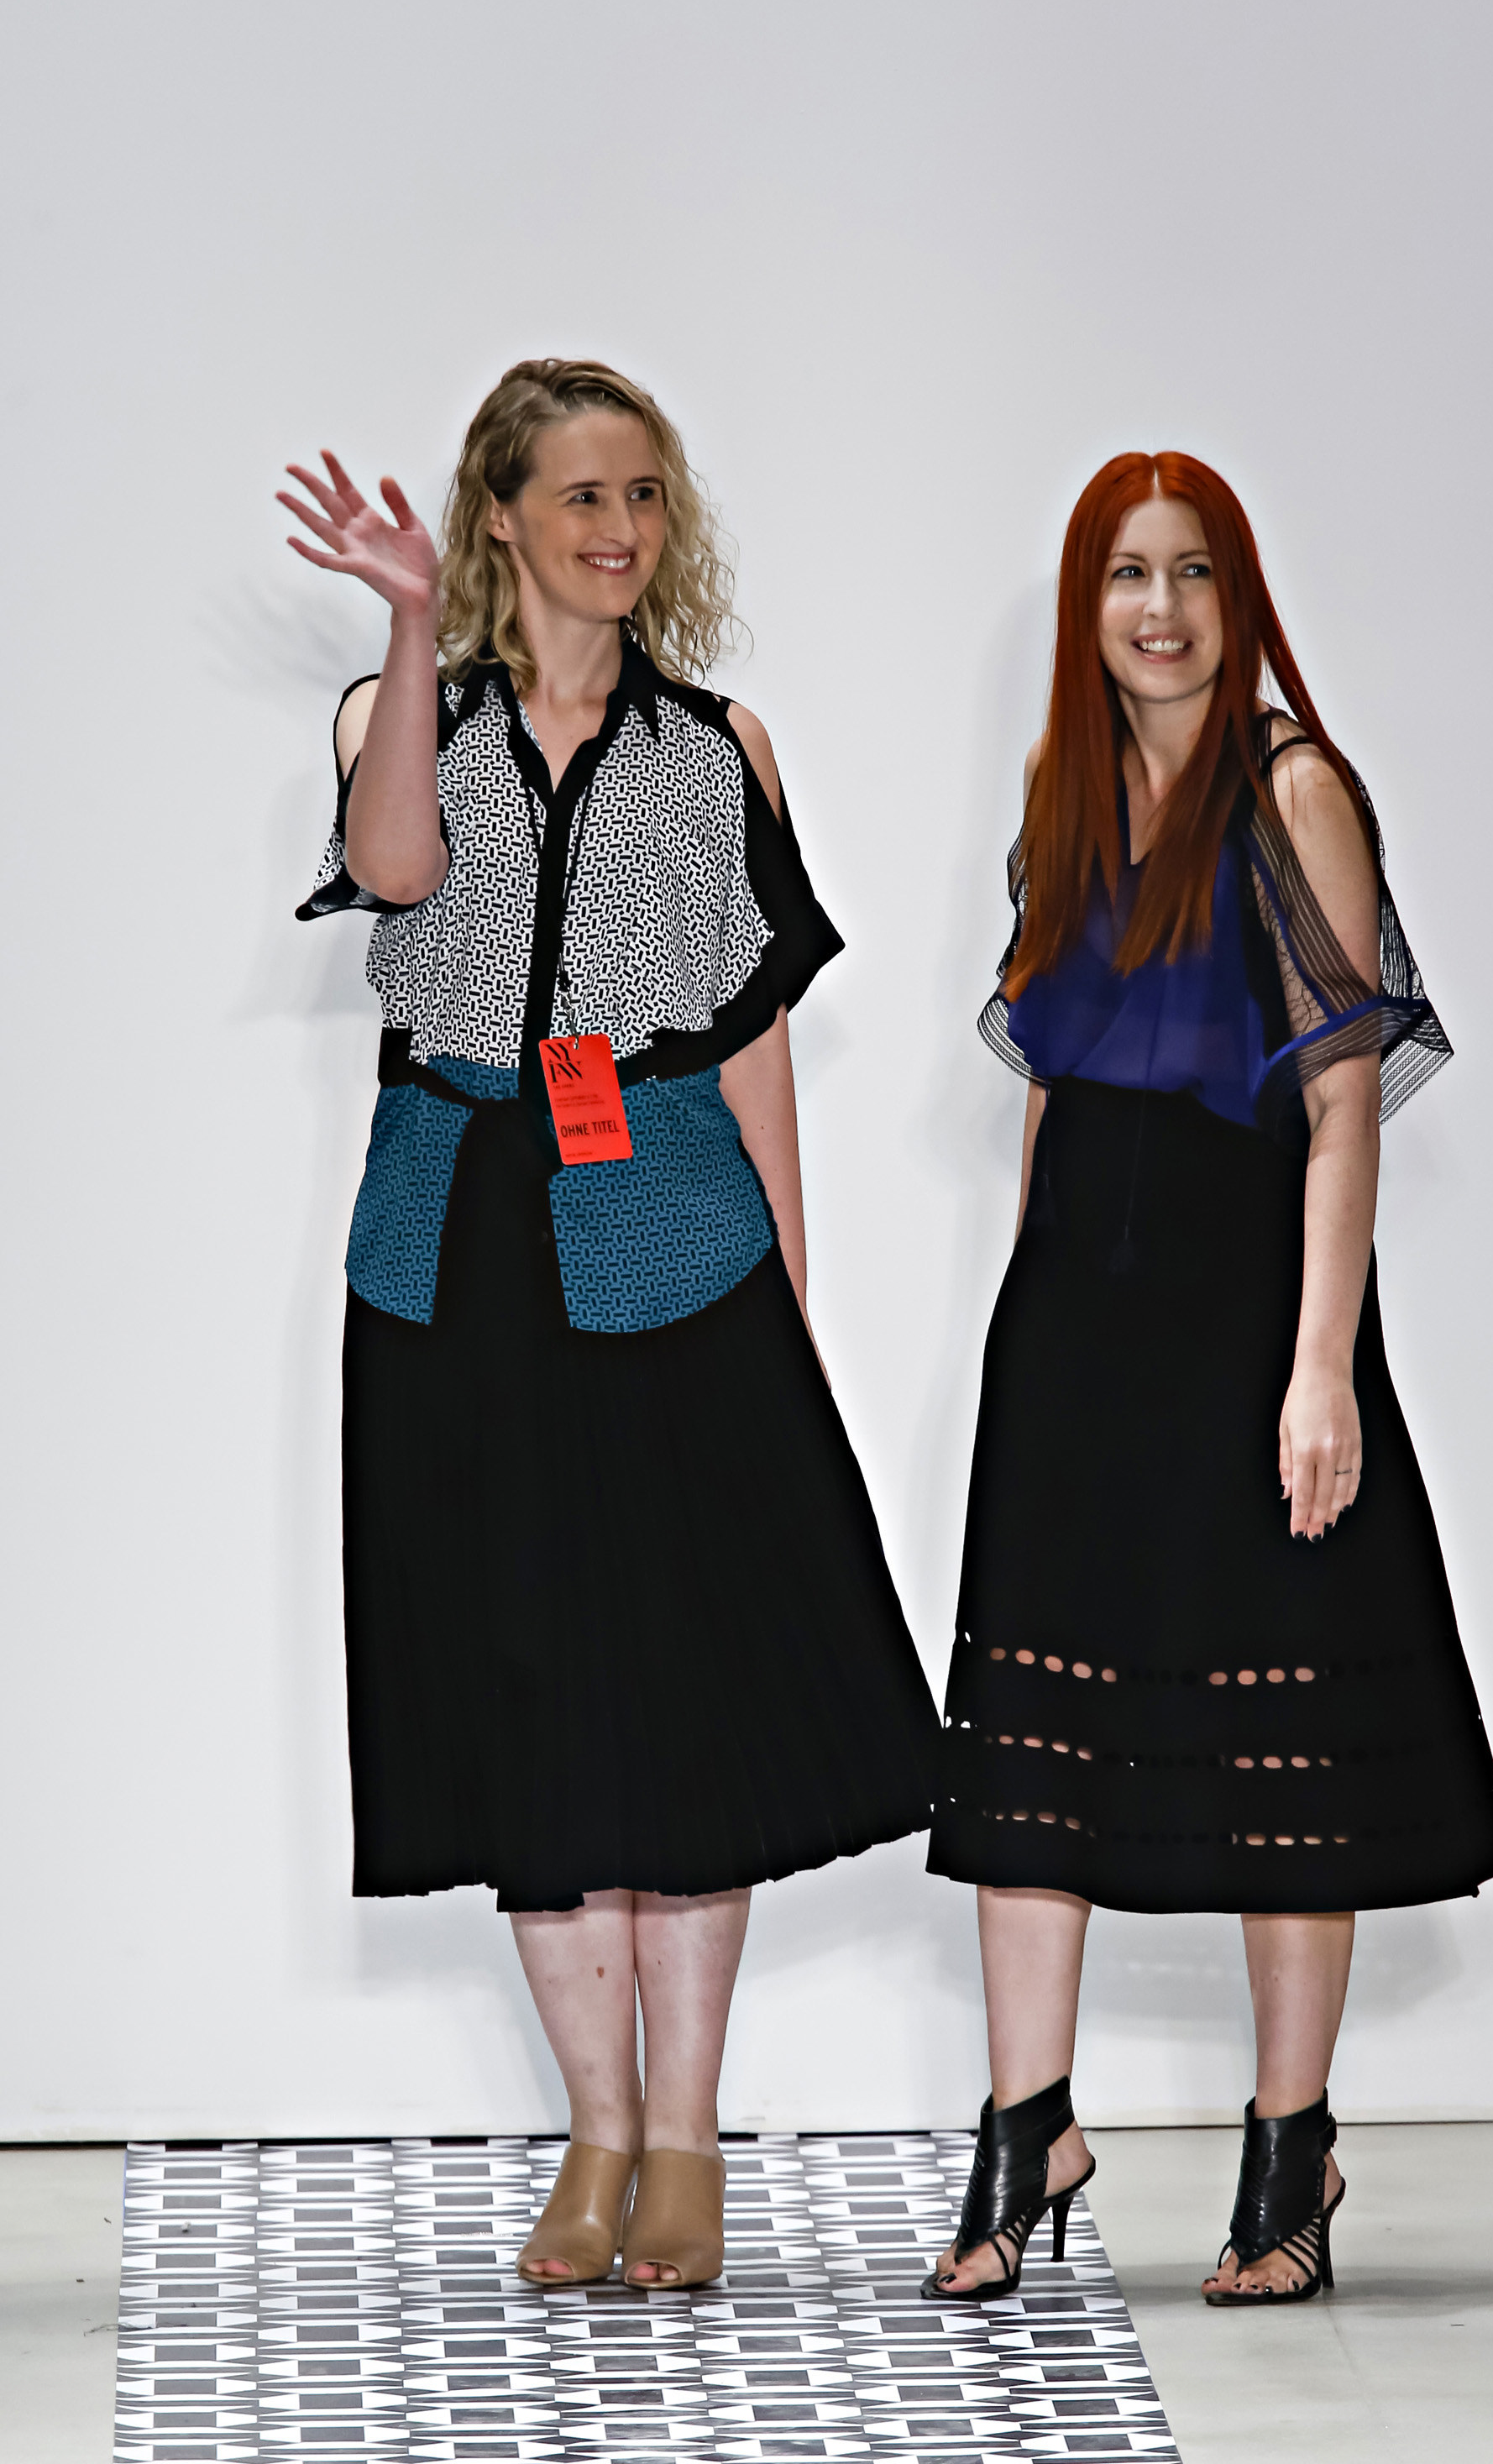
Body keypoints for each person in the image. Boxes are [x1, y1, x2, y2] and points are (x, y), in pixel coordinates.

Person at [280, 357, 937, 2293]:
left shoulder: (719, 750)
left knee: (688, 1693)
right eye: (581, 495)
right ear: (501, 514)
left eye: (643, 495)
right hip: (455, 1244)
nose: (620, 530)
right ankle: (591, 2130)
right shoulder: (398, 716)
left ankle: (685, 2138)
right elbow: (396, 870)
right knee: (524, 1690)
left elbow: (754, 1041)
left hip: (673, 1238)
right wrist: (415, 626)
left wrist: (790, 1295)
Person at [923, 452, 1493, 2307]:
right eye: (1127, 573)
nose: (1161, 608)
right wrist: (1024, 1319)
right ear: (1085, 604)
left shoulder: (1294, 791)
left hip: (1247, 1322)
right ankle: (1027, 2127)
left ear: (1238, 595)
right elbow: (1051, 1079)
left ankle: (1291, 2147)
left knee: (1283, 1754)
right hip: (1073, 1331)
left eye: (1192, 572)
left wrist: (1319, 1367)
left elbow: (1345, 1107)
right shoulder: (1065, 791)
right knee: (1032, 1740)